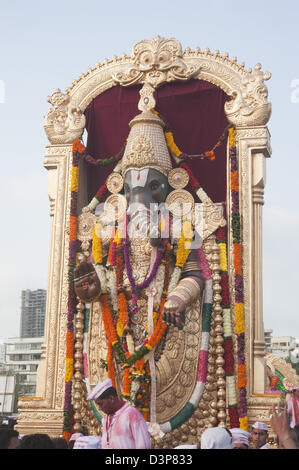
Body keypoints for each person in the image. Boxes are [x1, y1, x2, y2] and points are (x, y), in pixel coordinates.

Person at [87, 378, 151, 449]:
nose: (99, 408)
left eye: (101, 404)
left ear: (111, 399)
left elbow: (144, 446)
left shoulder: (132, 414)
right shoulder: (107, 417)